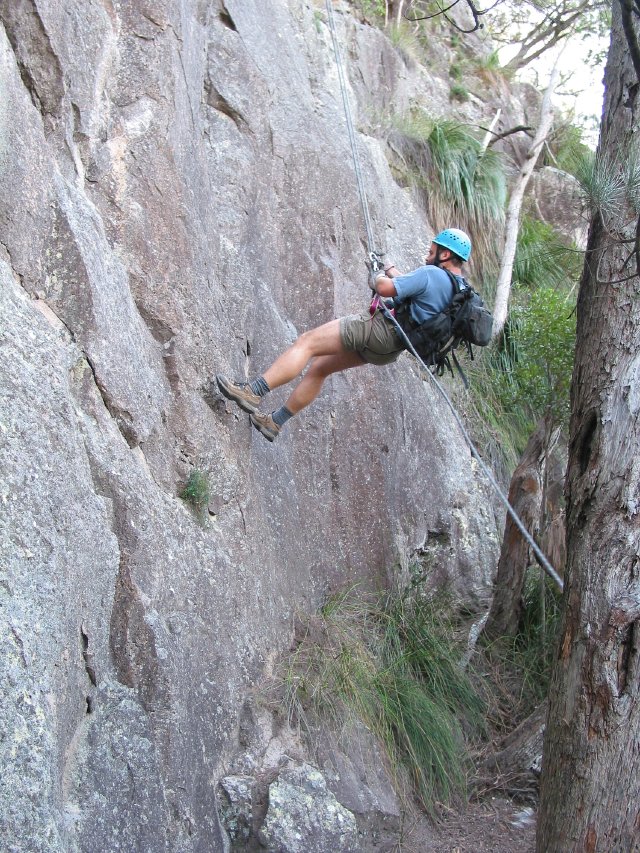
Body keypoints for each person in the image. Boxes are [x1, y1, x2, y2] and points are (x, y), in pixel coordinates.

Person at [214, 228, 472, 441]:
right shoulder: (457, 288)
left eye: (432, 250)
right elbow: (416, 291)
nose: (428, 254)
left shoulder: (432, 273)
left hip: (378, 329)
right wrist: (390, 269)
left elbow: (382, 288)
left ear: (445, 253)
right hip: (391, 348)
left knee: (307, 343)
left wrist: (377, 273)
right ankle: (274, 422)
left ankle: (253, 391)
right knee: (320, 368)